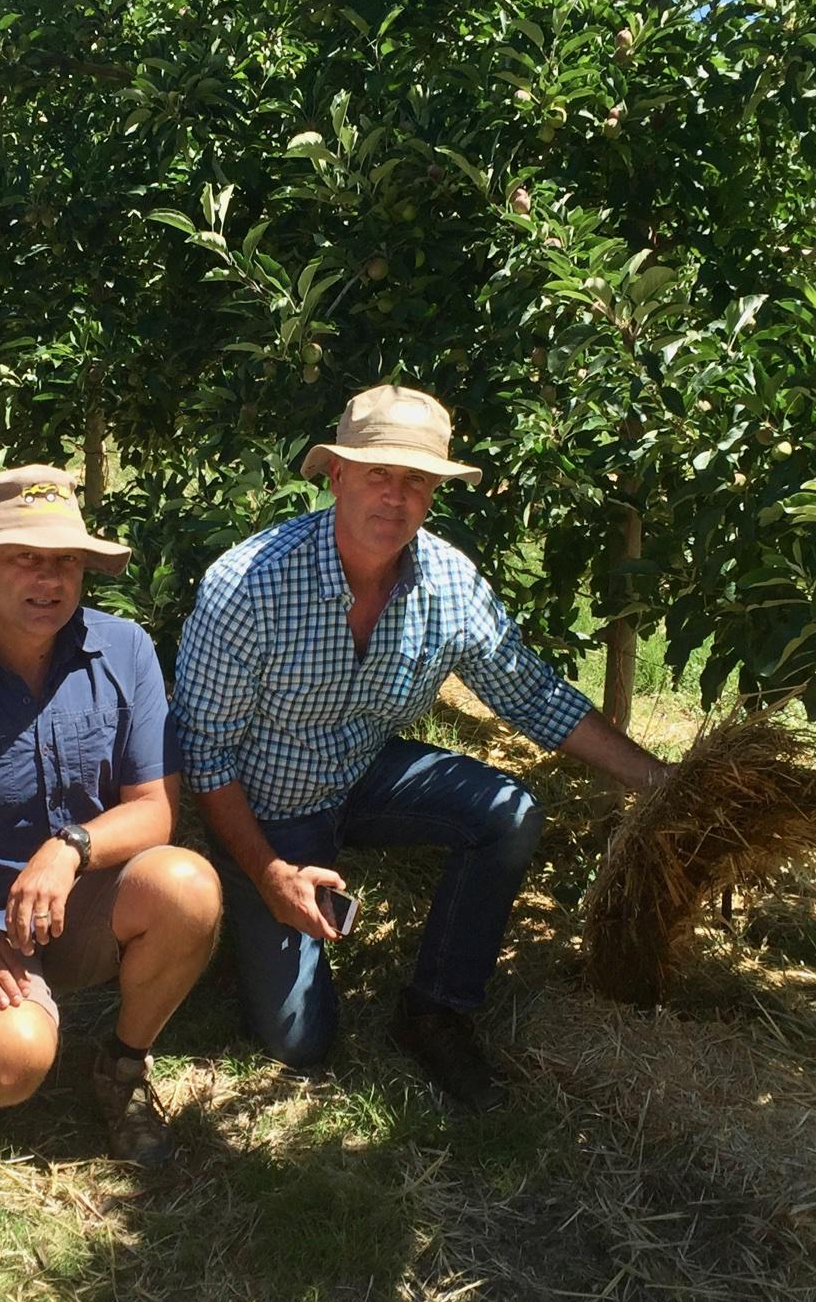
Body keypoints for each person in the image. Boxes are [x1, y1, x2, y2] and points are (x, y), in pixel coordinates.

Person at [173, 385, 671, 1111]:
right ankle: (241, 918)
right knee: (298, 1043)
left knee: (506, 812)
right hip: (267, 810)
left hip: (364, 775)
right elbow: (206, 756)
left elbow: (528, 692)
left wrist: (656, 779)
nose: (395, 497)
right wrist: (270, 872)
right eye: (379, 474)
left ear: (435, 492)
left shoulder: (446, 579)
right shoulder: (247, 586)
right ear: (336, 475)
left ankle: (435, 1010)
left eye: (416, 481)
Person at [0, 465, 221, 1168]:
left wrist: (69, 850)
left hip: (82, 902)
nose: (49, 579)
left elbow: (154, 810)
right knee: (12, 1065)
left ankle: (121, 1069)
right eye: (25, 559)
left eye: (65, 562)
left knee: (187, 885)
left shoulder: (124, 651)